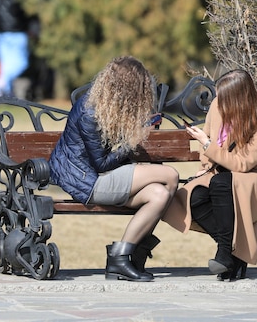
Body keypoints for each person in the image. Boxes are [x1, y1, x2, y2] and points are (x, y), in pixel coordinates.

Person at [49, 56, 179, 282]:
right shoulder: (90, 112)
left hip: (98, 177)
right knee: (170, 176)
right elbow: (100, 164)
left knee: (160, 194)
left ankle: (121, 258)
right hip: (89, 182)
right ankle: (134, 253)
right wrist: (132, 142)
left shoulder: (108, 107)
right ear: (127, 88)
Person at [163, 69, 257, 280]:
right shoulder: (217, 108)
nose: (218, 102)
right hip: (220, 173)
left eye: (223, 97)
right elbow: (210, 141)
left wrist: (206, 144)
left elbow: (243, 164)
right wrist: (205, 166)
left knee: (221, 183)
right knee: (194, 197)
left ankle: (224, 253)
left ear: (239, 99)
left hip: (256, 179)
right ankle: (234, 254)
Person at [0, 0, 30, 98]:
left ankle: (7, 92)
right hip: (16, 32)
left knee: (6, 65)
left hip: (0, 32)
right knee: (22, 64)